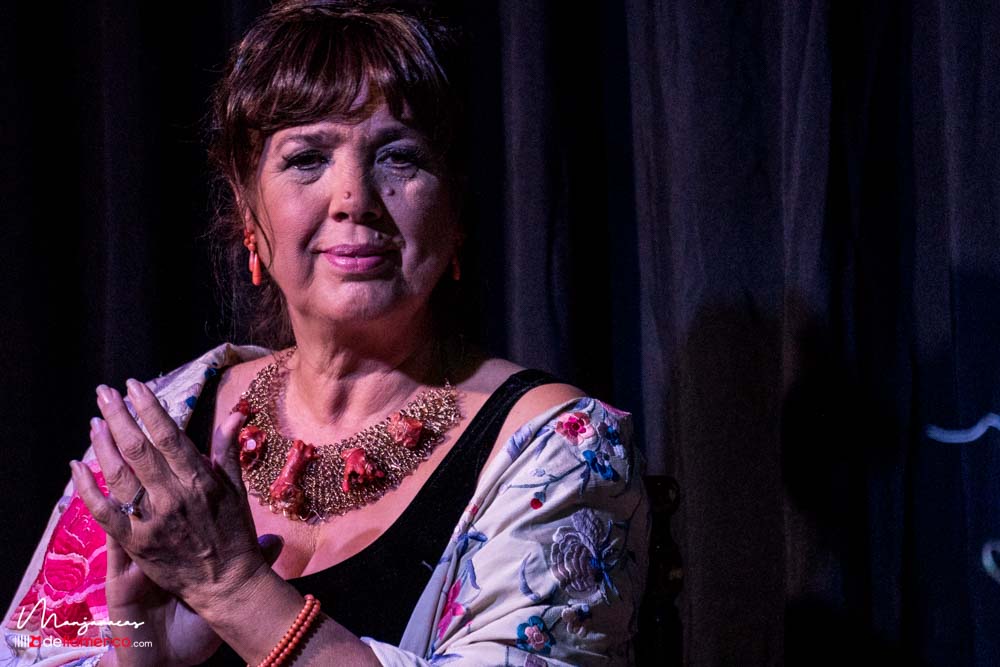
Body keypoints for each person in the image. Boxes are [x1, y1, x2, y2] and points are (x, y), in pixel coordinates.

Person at [2, 1, 649, 665]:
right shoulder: (163, 425)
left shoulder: (556, 448)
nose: (354, 198)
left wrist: (235, 590)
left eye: (399, 157)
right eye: (307, 158)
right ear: (247, 210)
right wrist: (138, 655)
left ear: (455, 209)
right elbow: (41, 649)